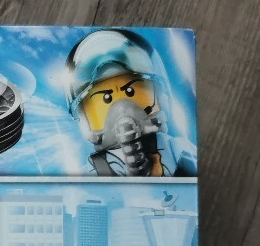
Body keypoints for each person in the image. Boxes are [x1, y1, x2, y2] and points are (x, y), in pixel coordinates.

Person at [64, 28, 197, 177]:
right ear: (83, 118)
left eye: (132, 91)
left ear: (161, 95)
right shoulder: (90, 175)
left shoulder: (177, 151)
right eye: (105, 99)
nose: (122, 109)